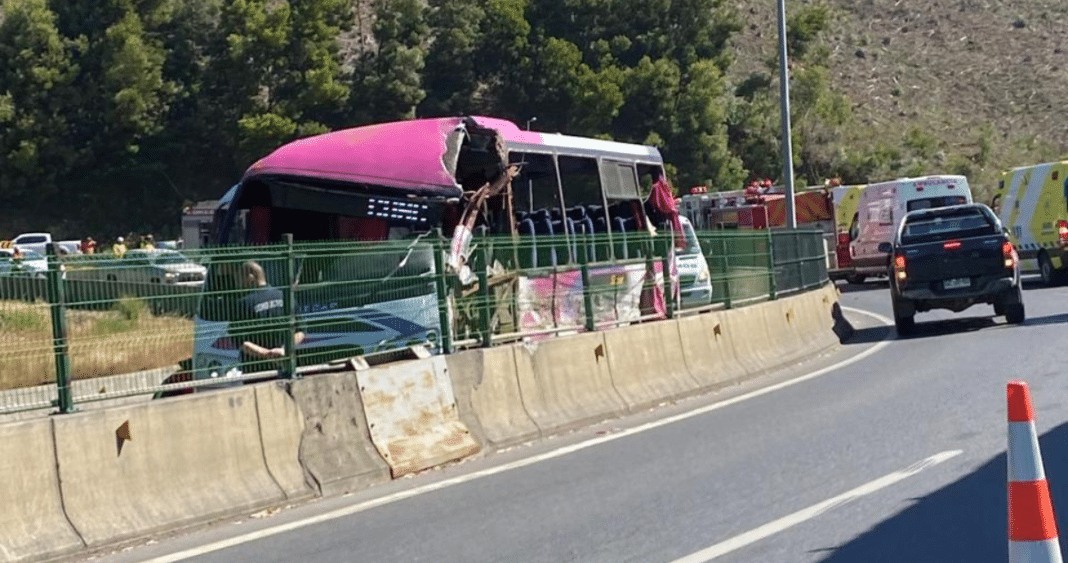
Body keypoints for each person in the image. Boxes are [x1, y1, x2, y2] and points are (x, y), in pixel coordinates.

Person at [228, 260, 304, 377]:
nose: (237, 284)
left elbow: (241, 342)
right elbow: (300, 331)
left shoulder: (243, 303)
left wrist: (267, 354)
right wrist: (284, 350)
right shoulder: (285, 296)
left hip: (258, 371)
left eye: (239, 279)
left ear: (250, 278)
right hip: (288, 366)